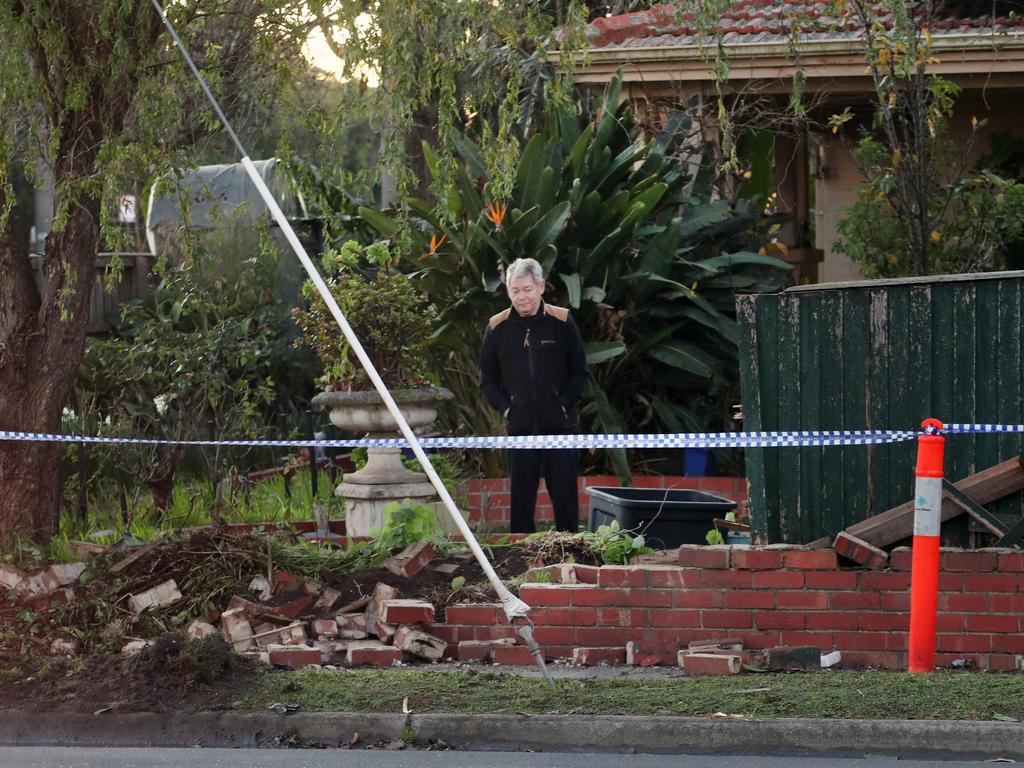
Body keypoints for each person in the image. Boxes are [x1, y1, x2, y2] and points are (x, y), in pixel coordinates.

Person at [479, 258, 589, 533]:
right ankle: (520, 564)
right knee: (521, 506)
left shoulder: (562, 321)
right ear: (508, 292)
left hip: (561, 430)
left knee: (565, 501)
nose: (521, 296)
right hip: (520, 430)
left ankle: (571, 553)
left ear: (541, 287)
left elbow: (579, 372)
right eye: (515, 290)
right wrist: (507, 409)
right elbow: (488, 381)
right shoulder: (497, 327)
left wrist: (563, 405)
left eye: (527, 289)